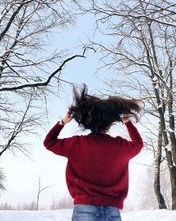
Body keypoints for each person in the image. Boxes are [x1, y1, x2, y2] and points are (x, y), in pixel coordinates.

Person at [44, 84, 144, 221]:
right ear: (109, 124)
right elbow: (138, 144)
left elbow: (49, 142)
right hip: (112, 210)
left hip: (84, 209)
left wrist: (62, 122)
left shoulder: (76, 144)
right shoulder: (119, 146)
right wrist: (127, 121)